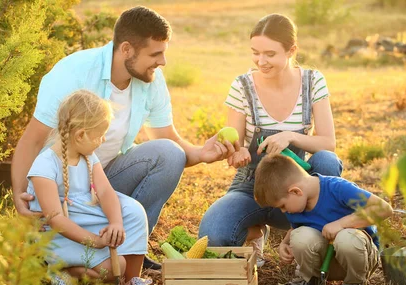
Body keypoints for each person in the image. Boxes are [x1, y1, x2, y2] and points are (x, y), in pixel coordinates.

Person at [12, 6, 238, 270]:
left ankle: (130, 253)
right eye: (156, 54)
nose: (163, 62)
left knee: (170, 153)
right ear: (127, 49)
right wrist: (19, 194)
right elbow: (34, 140)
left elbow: (167, 138)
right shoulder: (73, 72)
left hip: (101, 176)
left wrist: (200, 153)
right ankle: (63, 251)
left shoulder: (150, 79)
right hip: (59, 186)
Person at [198, 13, 343, 267]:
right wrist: (238, 152)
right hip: (252, 185)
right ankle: (256, 229)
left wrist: (290, 136)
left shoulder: (313, 82)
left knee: (327, 161)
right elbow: (236, 143)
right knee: (215, 236)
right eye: (255, 52)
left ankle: (305, 235)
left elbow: (328, 142)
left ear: (291, 50)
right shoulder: (242, 85)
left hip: (299, 191)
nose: (260, 61)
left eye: (270, 54)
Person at [27, 90, 156, 285]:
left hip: (84, 215)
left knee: (133, 211)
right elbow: (55, 218)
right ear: (80, 135)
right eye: (100, 135)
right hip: (60, 233)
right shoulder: (45, 165)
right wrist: (95, 242)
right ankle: (62, 270)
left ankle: (131, 281)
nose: (103, 140)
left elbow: (105, 191)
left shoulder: (88, 157)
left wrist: (115, 222)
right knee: (111, 270)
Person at [253, 154, 392, 285]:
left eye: (282, 205)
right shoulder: (297, 206)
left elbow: (384, 209)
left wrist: (341, 224)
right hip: (326, 264)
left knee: (346, 237)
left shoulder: (337, 188)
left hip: (359, 260)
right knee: (301, 235)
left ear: (295, 191)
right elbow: (296, 228)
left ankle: (354, 284)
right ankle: (310, 281)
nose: (283, 211)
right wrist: (285, 243)